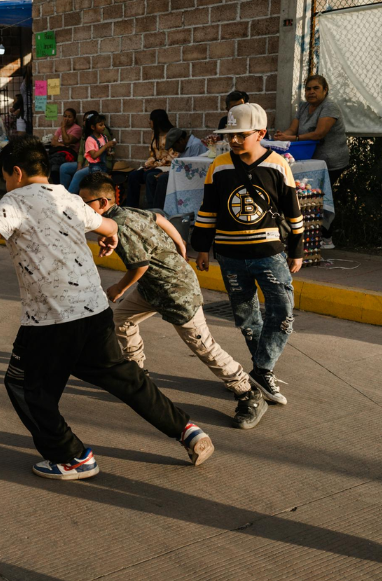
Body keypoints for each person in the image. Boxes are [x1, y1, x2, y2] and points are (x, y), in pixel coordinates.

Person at [0, 135, 214, 480]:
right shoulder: (67, 198)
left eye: (7, 176)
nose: (7, 183)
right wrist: (110, 237)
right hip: (95, 311)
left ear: (17, 172)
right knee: (125, 378)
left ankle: (71, 457)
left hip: (50, 320)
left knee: (25, 387)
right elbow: (111, 225)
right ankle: (187, 430)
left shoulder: (14, 202)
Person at [78, 172, 267, 429]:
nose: (81, 207)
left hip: (177, 292)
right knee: (121, 319)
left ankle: (248, 393)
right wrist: (180, 244)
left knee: (204, 347)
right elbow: (159, 218)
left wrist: (118, 289)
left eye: (84, 202)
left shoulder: (119, 224)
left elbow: (140, 265)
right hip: (152, 290)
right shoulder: (126, 213)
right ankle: (137, 374)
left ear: (102, 203)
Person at [194, 103, 303, 407]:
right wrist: (202, 248)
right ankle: (262, 371)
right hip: (229, 255)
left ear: (260, 133)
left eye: (241, 135)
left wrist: (297, 250)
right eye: (230, 136)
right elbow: (208, 210)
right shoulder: (219, 167)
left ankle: (262, 368)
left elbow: (293, 212)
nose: (234, 141)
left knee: (282, 312)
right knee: (245, 316)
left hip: (269, 254)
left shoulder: (279, 165)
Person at [273, 74, 348, 250]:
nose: (311, 92)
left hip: (332, 161)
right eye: (308, 88)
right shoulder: (304, 107)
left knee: (321, 196)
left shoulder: (329, 107)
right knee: (308, 196)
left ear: (325, 90)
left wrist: (292, 138)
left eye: (316, 88)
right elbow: (293, 128)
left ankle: (326, 237)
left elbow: (319, 133)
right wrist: (283, 137)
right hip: (312, 158)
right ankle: (309, 236)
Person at [122, 109, 175, 208]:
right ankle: (131, 207)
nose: (149, 122)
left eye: (150, 120)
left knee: (149, 175)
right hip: (156, 165)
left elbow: (172, 156)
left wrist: (155, 166)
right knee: (133, 175)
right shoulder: (155, 134)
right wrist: (148, 164)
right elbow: (153, 154)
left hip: (167, 166)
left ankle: (153, 208)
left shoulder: (172, 134)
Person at [60, 111, 116, 194]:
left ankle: (69, 196)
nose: (103, 127)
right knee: (64, 167)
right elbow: (82, 152)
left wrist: (108, 152)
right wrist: (79, 165)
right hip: (89, 163)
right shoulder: (87, 135)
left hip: (99, 164)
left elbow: (103, 152)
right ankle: (64, 194)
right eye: (84, 120)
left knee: (79, 174)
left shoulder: (103, 134)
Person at [153, 127, 210, 205]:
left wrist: (169, 174)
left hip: (195, 179)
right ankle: (153, 207)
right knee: (152, 176)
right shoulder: (184, 147)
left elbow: (194, 170)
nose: (174, 150)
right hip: (185, 175)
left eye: (174, 147)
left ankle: (157, 210)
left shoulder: (196, 145)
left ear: (181, 141)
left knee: (163, 179)